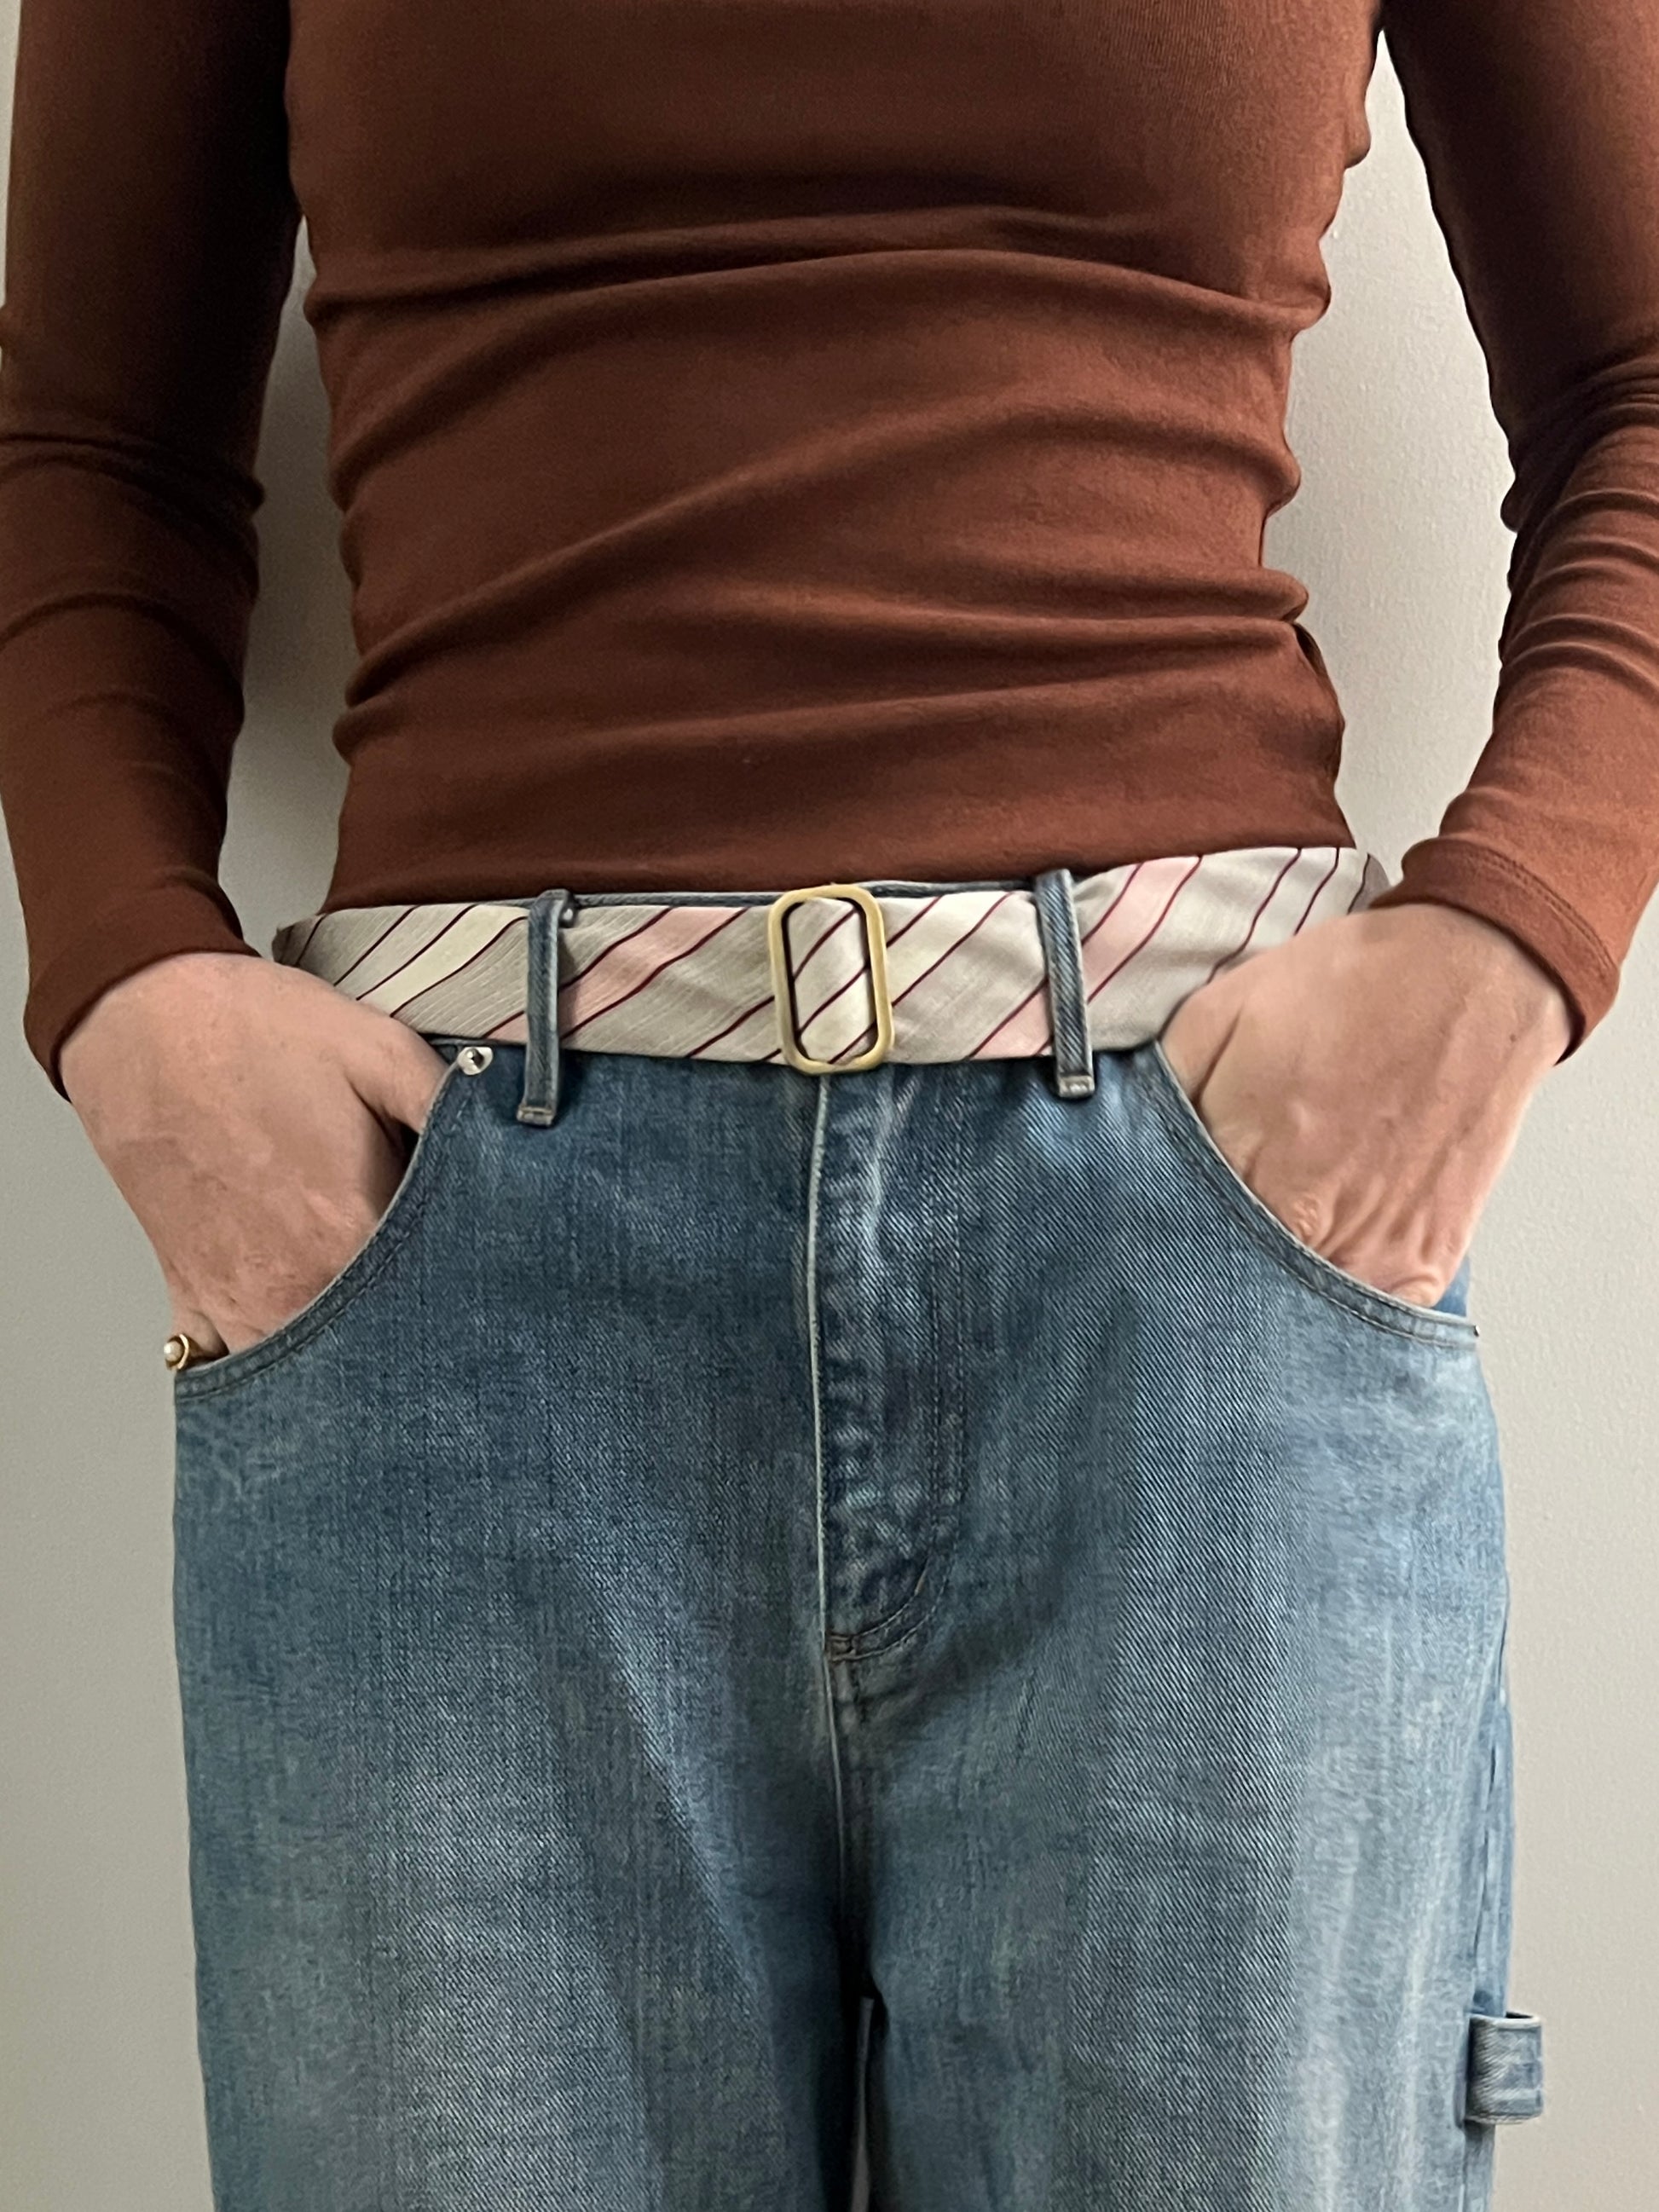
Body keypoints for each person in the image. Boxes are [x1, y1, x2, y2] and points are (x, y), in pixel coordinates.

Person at [0, 0, 1646, 2204]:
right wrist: (129, 984)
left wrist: (1513, 938)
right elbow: (86, 445)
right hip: (450, 1297)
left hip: (1198, 1296)